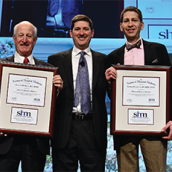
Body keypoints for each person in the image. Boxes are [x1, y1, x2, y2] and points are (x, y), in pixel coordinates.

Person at [105, 6, 172, 172]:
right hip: (124, 126)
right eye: (126, 21)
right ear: (120, 26)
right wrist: (109, 83)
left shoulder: (158, 50)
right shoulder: (112, 57)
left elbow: (171, 86)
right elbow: (112, 96)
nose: (130, 24)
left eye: (134, 20)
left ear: (142, 25)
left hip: (155, 125)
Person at [0, 21, 63, 171]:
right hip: (3, 139)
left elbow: (54, 109)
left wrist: (57, 92)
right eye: (20, 35)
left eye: (29, 36)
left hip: (35, 143)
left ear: (35, 40)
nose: (24, 40)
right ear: (14, 38)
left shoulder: (48, 71)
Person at [48, 14, 108, 171]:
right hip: (64, 130)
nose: (81, 33)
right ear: (71, 33)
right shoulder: (55, 60)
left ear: (92, 33)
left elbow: (113, 94)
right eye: (77, 29)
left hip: (93, 130)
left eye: (85, 29)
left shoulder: (104, 61)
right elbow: (47, 98)